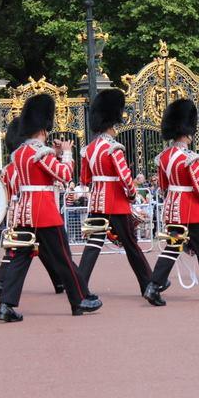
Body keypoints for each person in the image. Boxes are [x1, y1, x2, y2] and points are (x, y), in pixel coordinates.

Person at [0, 93, 101, 321]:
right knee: (63, 257)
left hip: (25, 211)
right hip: (44, 212)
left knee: (20, 258)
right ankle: (78, 301)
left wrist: (52, 153)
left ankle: (6, 305)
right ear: (43, 129)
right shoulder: (39, 152)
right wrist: (65, 154)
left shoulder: (20, 153)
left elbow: (38, 173)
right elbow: (64, 175)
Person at [143, 99, 199, 306]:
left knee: (172, 247)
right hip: (190, 209)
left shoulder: (164, 157)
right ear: (187, 132)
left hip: (172, 207)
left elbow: (164, 185)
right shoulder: (190, 158)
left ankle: (153, 286)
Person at [77, 88, 154, 297]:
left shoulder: (89, 149)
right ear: (114, 120)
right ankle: (148, 284)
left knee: (93, 244)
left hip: (97, 202)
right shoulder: (114, 148)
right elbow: (125, 178)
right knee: (130, 244)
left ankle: (79, 287)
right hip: (115, 202)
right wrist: (131, 196)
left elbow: (85, 179)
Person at [0, 118, 62, 296]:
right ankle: (62, 282)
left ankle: (2, 283)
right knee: (42, 250)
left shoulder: (8, 169)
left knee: (21, 250)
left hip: (16, 210)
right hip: (33, 208)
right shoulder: (27, 163)